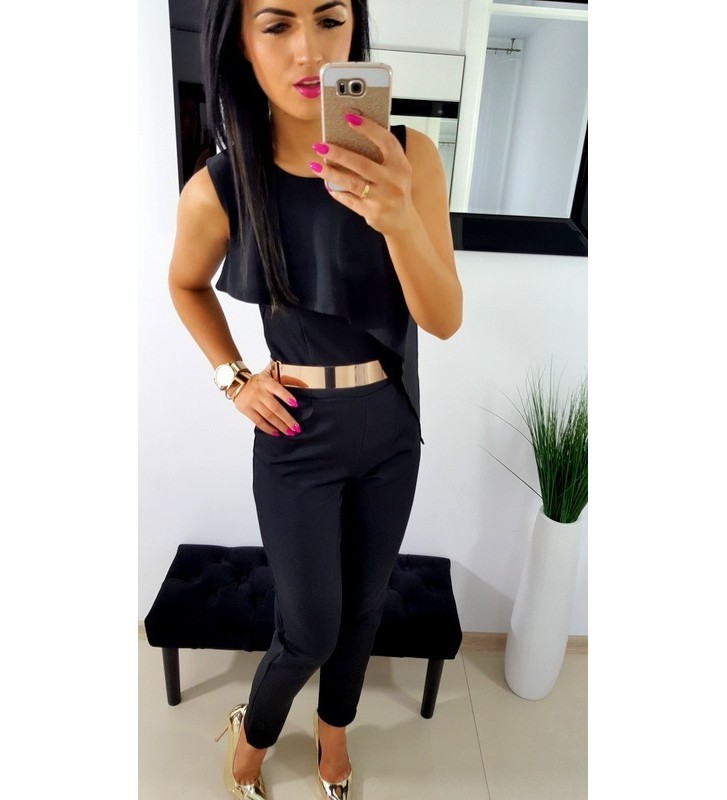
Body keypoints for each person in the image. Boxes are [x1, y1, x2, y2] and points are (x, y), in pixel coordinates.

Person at [167, 0, 462, 797]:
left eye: (329, 19)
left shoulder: (411, 157)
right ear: (241, 45)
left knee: (363, 610)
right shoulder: (221, 185)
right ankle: (255, 732)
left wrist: (397, 218)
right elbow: (185, 283)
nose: (309, 49)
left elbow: (442, 320)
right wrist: (233, 378)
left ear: (353, 30)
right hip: (296, 434)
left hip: (392, 426)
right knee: (308, 628)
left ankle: (334, 734)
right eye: (277, 25)